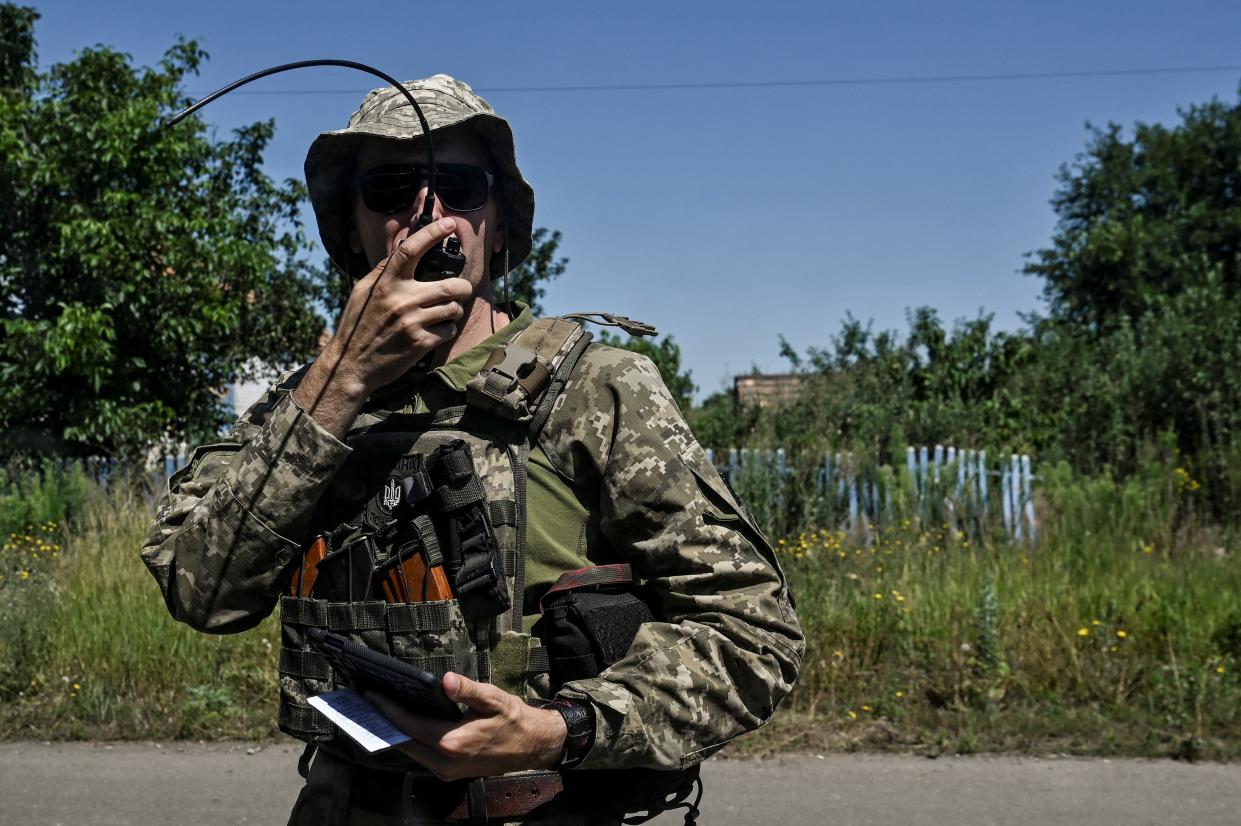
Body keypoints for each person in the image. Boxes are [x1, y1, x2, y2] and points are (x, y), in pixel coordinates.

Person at [140, 74, 803, 825]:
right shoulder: (305, 402)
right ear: (351, 228)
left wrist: (559, 729)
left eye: (458, 187)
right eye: (392, 190)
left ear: (498, 223)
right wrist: (340, 381)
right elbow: (202, 593)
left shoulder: (595, 388)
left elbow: (754, 636)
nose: (429, 215)